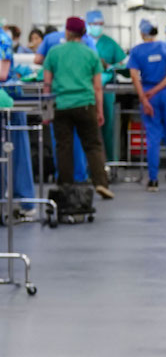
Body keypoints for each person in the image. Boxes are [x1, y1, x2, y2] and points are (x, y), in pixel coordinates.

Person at [41, 17, 113, 199]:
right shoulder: (91, 54)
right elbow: (97, 87)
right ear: (83, 34)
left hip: (61, 105)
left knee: (63, 146)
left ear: (66, 31)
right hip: (85, 104)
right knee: (93, 146)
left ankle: (65, 184)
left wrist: (46, 112)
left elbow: (47, 85)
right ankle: (101, 183)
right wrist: (100, 111)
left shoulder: (54, 53)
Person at [127, 19, 166, 192]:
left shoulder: (137, 51)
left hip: (148, 95)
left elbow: (133, 76)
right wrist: (158, 89)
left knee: (153, 139)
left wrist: (145, 97)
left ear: (141, 33)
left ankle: (153, 181)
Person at [0, 25, 38, 216]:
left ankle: (26, 201)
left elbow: (2, 74)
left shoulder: (3, 40)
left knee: (17, 151)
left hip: (9, 99)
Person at [86, 10, 128, 163]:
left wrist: (110, 66)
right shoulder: (82, 43)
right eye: (94, 24)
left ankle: (110, 161)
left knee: (108, 128)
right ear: (87, 24)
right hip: (86, 91)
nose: (97, 27)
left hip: (106, 91)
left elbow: (123, 63)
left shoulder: (109, 43)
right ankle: (87, 168)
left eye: (100, 24)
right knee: (87, 131)